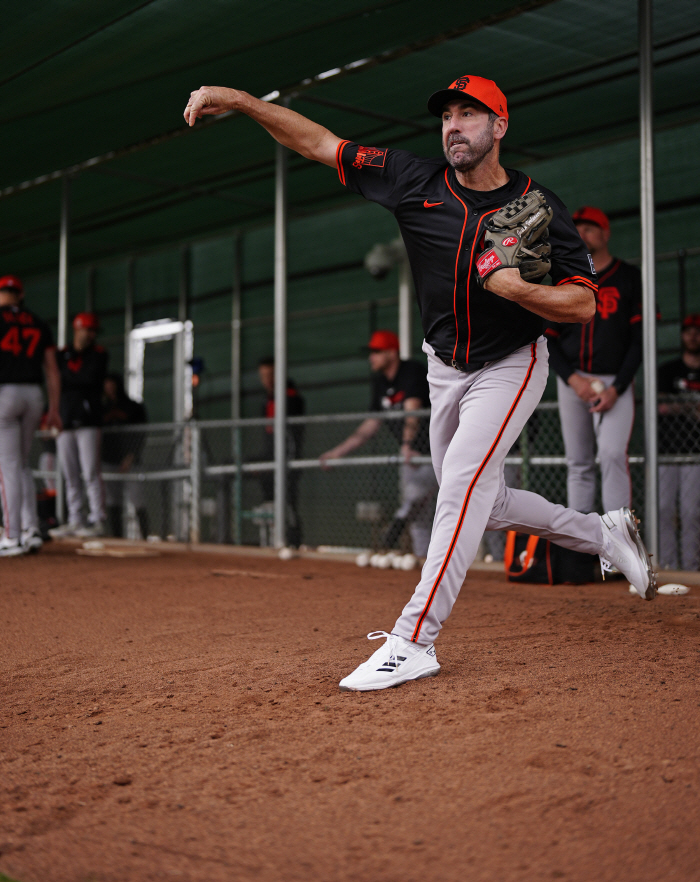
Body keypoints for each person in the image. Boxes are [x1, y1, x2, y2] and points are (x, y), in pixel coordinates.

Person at [183, 74, 656, 693]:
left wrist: (520, 291)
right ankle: (602, 532)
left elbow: (585, 303)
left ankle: (415, 639)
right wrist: (245, 101)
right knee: (484, 504)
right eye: (447, 116)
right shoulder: (414, 179)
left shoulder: (543, 206)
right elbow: (322, 144)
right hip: (442, 367)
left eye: (469, 114)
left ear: (500, 127)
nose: (453, 125)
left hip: (511, 363)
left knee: (459, 487)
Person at [545, 206, 642, 513]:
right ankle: (580, 549)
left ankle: (618, 544)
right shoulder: (565, 279)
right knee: (578, 463)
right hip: (573, 381)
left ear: (606, 233)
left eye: (590, 227)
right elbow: (548, 338)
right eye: (579, 228)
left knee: (613, 455)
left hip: (615, 381)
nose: (583, 232)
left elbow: (640, 340)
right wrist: (573, 379)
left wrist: (619, 387)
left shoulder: (627, 276)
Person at [320, 329, 436, 562]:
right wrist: (337, 453)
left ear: (392, 353)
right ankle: (425, 564)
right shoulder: (381, 382)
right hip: (411, 456)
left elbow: (412, 410)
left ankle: (395, 527)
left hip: (437, 452)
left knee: (418, 501)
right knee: (421, 518)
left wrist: (406, 443)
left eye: (376, 352)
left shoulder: (411, 371)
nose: (371, 357)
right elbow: (370, 426)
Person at [0, 275, 61, 556]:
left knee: (8, 467)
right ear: (21, 295)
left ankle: (11, 537)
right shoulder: (38, 322)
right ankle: (31, 530)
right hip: (34, 395)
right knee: (22, 465)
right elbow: (52, 370)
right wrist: (55, 408)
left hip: (6, 395)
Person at [54, 313, 108, 536]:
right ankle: (75, 519)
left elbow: (90, 378)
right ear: (77, 329)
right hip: (65, 421)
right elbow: (55, 379)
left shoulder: (98, 354)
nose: (91, 335)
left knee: (90, 472)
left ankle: (97, 520)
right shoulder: (62, 353)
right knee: (70, 474)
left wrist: (66, 378)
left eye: (93, 331)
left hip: (88, 421)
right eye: (88, 330)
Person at [658, 314, 700, 570]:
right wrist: (691, 406)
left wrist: (677, 405)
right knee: (663, 509)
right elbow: (661, 407)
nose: (693, 336)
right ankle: (668, 565)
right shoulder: (668, 370)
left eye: (697, 331)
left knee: (691, 513)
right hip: (667, 450)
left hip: (696, 452)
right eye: (688, 331)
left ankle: (692, 566)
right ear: (682, 335)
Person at [257, 357, 305, 550]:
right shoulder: (267, 399)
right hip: (270, 457)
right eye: (263, 376)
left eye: (271, 375)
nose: (267, 380)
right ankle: (272, 540)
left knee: (288, 502)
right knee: (270, 500)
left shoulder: (290, 397)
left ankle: (293, 542)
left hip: (288, 458)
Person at [102, 373, 149, 539]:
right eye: (106, 384)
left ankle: (145, 537)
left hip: (131, 461)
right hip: (109, 460)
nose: (109, 388)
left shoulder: (133, 407)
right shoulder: (102, 409)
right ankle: (117, 538)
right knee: (113, 501)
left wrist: (131, 456)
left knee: (137, 499)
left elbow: (141, 434)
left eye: (111, 384)